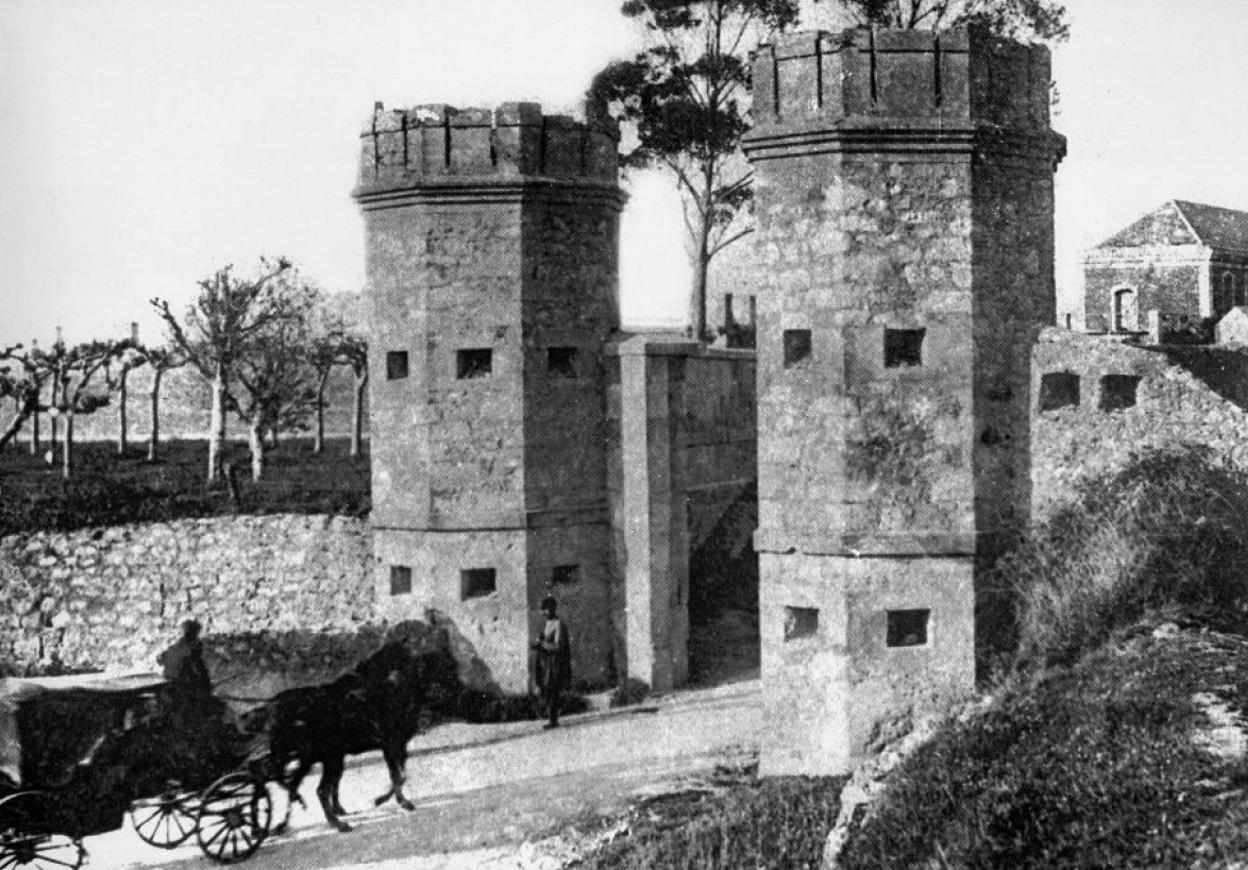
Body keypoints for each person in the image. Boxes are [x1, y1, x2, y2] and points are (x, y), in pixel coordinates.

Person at [157, 619, 214, 732]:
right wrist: (206, 685)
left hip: (172, 681)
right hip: (181, 683)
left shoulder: (176, 646)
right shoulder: (193, 647)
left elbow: (161, 659)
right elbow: (198, 667)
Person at [532, 595, 572, 729]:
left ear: (553, 609)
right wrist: (539, 642)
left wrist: (542, 645)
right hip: (546, 662)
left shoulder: (558, 623)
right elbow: (546, 640)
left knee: (553, 690)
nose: (544, 613)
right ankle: (551, 717)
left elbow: (558, 646)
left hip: (555, 663)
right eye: (543, 610)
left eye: (546, 610)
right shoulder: (548, 623)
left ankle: (553, 720)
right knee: (547, 690)